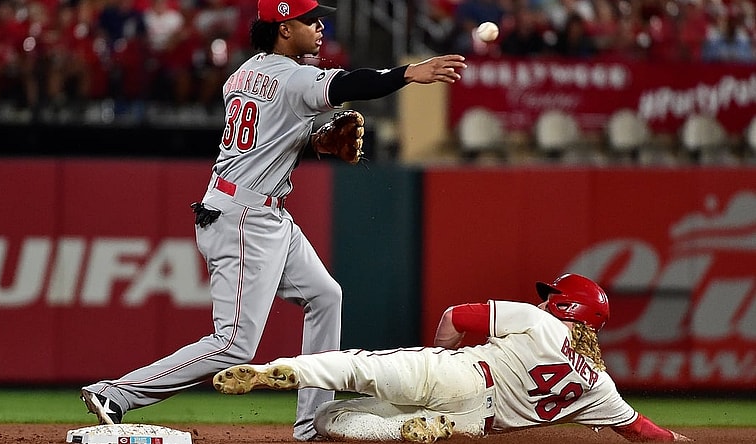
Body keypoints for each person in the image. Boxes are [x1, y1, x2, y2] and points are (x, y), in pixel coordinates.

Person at [79, 0, 467, 441]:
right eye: (309, 20)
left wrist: (315, 145)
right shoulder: (297, 76)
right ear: (283, 28)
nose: (320, 27)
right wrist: (406, 73)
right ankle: (116, 394)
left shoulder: (240, 77)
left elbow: (266, 140)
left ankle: (314, 424)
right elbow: (350, 83)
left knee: (325, 295)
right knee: (234, 345)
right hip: (245, 217)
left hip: (256, 208)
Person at [213, 273, 692, 443]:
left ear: (568, 308)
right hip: (474, 423)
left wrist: (439, 355)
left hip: (458, 373)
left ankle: (275, 370)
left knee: (360, 367)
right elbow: (638, 430)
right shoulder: (599, 385)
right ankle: (403, 432)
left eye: (554, 296)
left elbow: (456, 316)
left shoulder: (540, 321)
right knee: (329, 420)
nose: (546, 300)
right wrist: (674, 438)